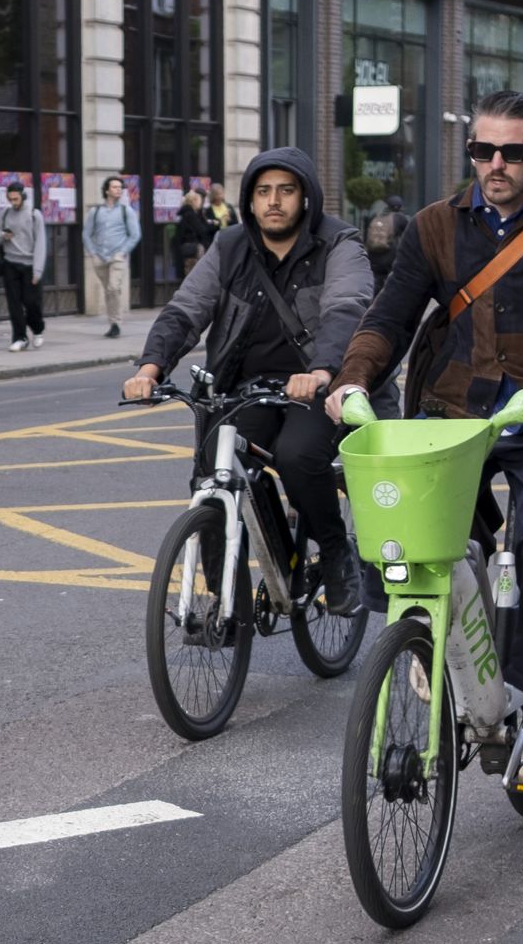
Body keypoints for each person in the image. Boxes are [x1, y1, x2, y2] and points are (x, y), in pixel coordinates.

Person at [327, 89, 523, 792]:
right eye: (482, 150)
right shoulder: (437, 226)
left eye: (510, 151)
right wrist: (350, 380)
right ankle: (437, 636)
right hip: (454, 412)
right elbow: (388, 315)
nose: (494, 164)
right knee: (412, 536)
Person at [122, 147, 375, 613]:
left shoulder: (338, 244)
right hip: (247, 388)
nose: (273, 201)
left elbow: (346, 308)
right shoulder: (230, 246)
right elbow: (186, 309)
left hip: (316, 388)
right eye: (263, 192)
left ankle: (336, 552)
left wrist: (321, 370)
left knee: (298, 458)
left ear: (306, 197)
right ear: (250, 200)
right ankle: (228, 595)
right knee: (214, 468)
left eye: (285, 190)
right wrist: (150, 368)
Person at [0, 181, 47, 352]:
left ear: (23, 196)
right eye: (10, 199)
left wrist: (38, 270)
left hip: (29, 265)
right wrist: (2, 236)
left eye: (16, 199)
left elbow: (40, 244)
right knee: (14, 304)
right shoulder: (5, 213)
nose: (13, 202)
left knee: (30, 302)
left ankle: (37, 329)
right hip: (10, 264)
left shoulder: (35, 215)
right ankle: (20, 337)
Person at [84, 175, 140, 337]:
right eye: (115, 187)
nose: (118, 190)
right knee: (108, 291)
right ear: (107, 190)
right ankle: (112, 322)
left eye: (120, 187)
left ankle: (116, 322)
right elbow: (86, 234)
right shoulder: (95, 212)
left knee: (113, 288)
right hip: (99, 257)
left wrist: (122, 252)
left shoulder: (126, 211)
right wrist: (93, 253)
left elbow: (135, 235)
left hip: (118, 256)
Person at [365, 193, 411, 285]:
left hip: (373, 255)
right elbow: (409, 235)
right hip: (390, 256)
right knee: (393, 281)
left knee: (376, 280)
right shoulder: (400, 217)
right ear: (399, 207)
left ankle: (374, 297)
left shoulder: (376, 216)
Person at [175, 188, 211, 276]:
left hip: (187, 247)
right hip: (192, 247)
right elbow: (201, 230)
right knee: (195, 273)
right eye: (199, 200)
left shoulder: (185, 213)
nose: (201, 202)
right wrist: (209, 225)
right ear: (193, 201)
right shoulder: (190, 214)